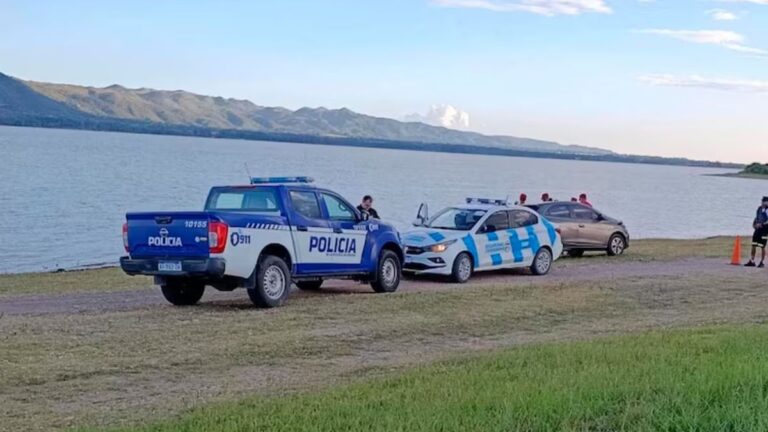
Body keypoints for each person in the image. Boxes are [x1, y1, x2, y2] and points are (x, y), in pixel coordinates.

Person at [746, 196, 768, 267]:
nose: (762, 202)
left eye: (764, 201)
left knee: (762, 246)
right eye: (762, 201)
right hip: (757, 230)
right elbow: (756, 217)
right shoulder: (759, 209)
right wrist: (754, 224)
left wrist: (762, 224)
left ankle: (762, 262)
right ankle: (752, 261)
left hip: (764, 230)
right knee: (754, 245)